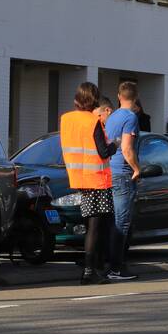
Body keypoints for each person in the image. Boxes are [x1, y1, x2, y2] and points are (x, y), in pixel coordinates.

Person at [60, 82, 117, 285]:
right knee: (96, 227)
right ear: (94, 99)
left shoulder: (66, 119)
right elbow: (102, 151)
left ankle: (90, 269)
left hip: (79, 178)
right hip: (97, 179)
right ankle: (91, 269)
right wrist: (114, 146)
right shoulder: (93, 121)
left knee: (89, 225)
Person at [104, 81, 142, 282]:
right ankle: (116, 267)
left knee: (113, 220)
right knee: (122, 221)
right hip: (122, 173)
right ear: (135, 97)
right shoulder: (130, 117)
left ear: (119, 96)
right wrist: (137, 168)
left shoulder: (112, 117)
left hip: (109, 171)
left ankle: (110, 263)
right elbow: (127, 148)